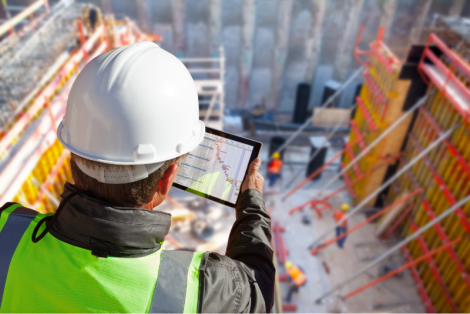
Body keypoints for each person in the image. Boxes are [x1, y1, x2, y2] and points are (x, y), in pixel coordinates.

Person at [0, 42, 274, 314]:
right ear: (167, 179)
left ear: (74, 154)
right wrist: (251, 204)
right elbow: (257, 287)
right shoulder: (201, 291)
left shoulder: (7, 230)